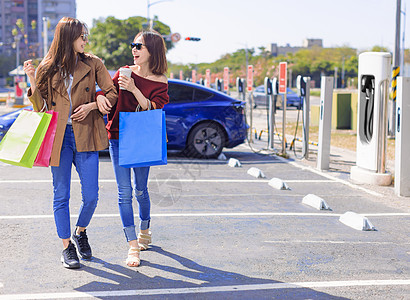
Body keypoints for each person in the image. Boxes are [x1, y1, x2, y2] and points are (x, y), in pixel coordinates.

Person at [23, 17, 117, 269]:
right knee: (61, 194)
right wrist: (32, 80)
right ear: (68, 37)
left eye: (86, 36)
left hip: (85, 133)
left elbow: (112, 93)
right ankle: (67, 247)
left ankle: (80, 231)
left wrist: (92, 105)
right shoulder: (47, 67)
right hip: (58, 137)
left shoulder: (94, 62)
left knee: (92, 195)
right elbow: (42, 107)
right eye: (81, 36)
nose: (85, 40)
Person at [96, 30, 169, 267]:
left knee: (140, 190)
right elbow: (109, 93)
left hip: (142, 138)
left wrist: (134, 89)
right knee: (124, 192)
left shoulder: (160, 80)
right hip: (118, 136)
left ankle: (145, 227)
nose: (134, 50)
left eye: (140, 46)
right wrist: (100, 98)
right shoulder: (123, 72)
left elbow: (155, 109)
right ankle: (132, 245)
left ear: (153, 51)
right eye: (133, 45)